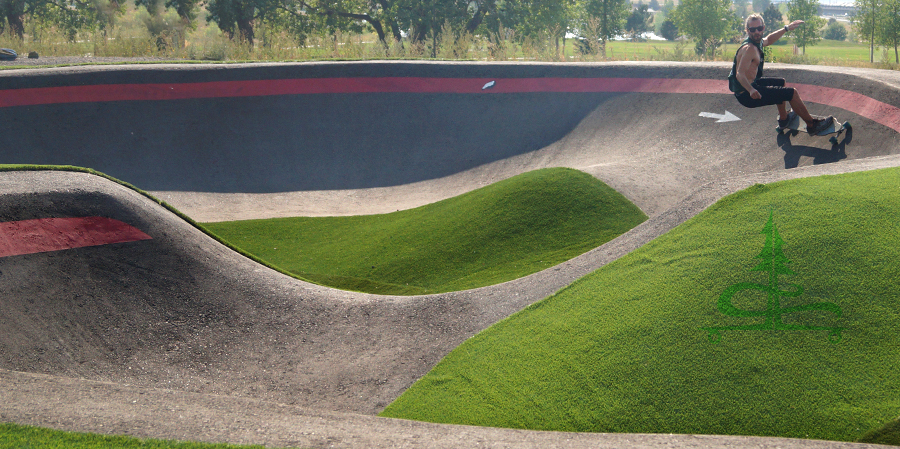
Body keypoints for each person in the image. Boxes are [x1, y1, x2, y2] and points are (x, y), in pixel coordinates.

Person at [728, 14, 833, 135]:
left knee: (781, 82)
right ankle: (812, 125)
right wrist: (751, 90)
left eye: (759, 28)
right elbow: (739, 74)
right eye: (752, 29)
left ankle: (784, 120)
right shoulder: (749, 48)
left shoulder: (758, 42)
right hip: (746, 94)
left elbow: (769, 39)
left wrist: (786, 28)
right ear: (747, 30)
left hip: (751, 85)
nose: (756, 32)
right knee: (792, 93)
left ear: (763, 28)